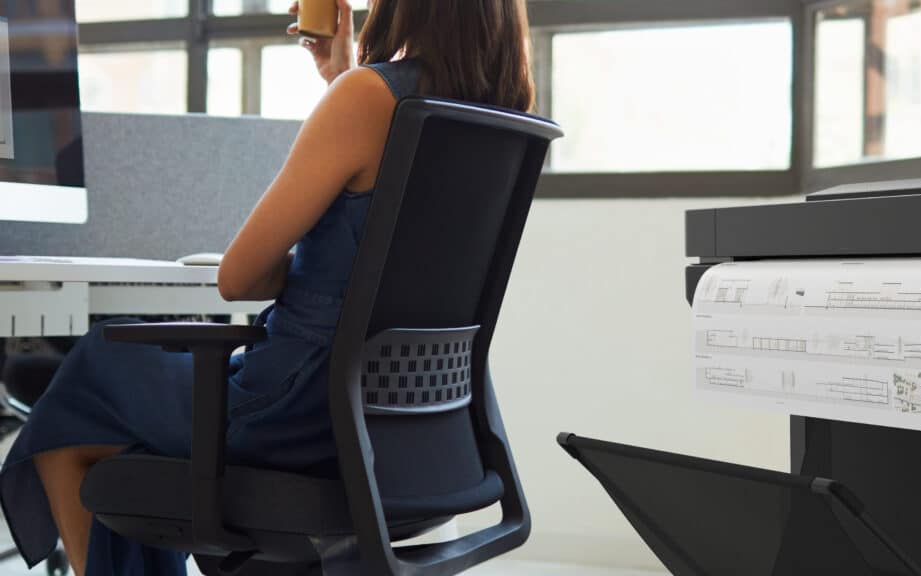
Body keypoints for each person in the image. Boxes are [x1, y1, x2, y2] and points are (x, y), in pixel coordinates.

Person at [0, 0, 535, 573]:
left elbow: (238, 278)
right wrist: (340, 79)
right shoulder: (494, 114)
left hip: (299, 410)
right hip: (418, 429)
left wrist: (345, 89)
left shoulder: (367, 98)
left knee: (95, 365)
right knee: (128, 438)